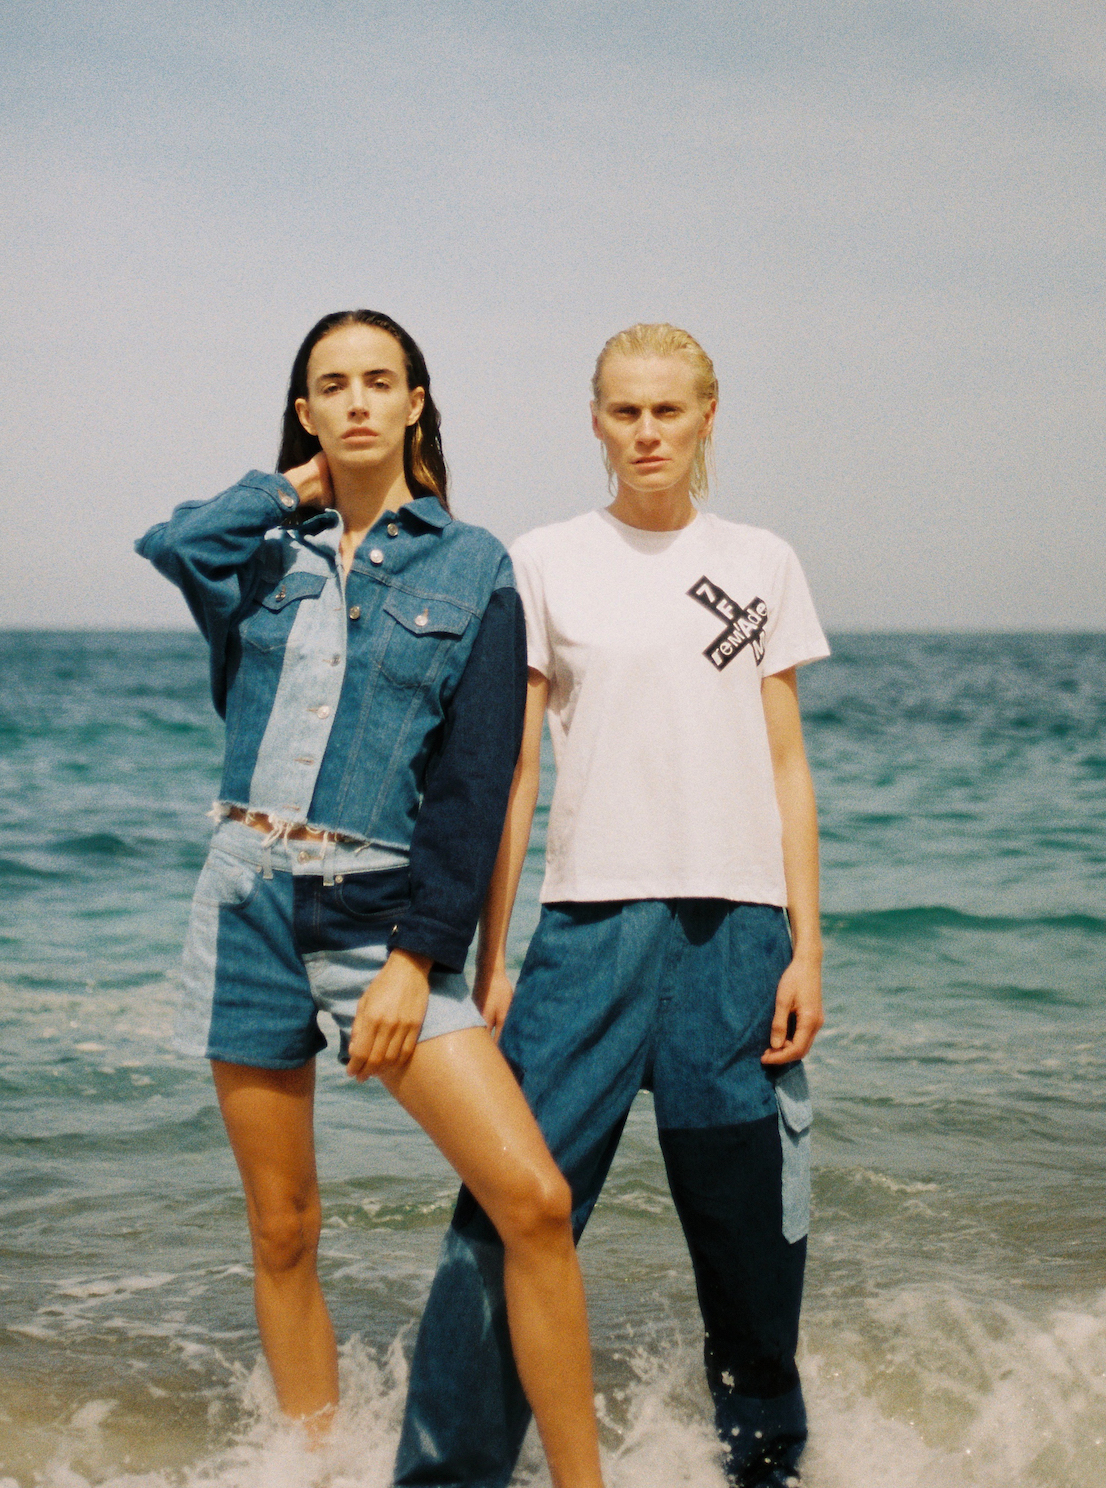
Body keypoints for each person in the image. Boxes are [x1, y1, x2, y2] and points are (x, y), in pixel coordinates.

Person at [136, 310, 604, 1488]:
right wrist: (292, 487)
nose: (356, 400)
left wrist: (417, 956)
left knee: (534, 1200)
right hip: (244, 904)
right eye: (331, 385)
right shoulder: (259, 559)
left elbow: (474, 783)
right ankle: (311, 1468)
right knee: (283, 1228)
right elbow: (171, 541)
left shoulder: (474, 566)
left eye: (378, 381)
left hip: (374, 918)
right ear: (305, 411)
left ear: (415, 401)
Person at [395, 322, 829, 1488]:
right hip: (587, 933)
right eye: (625, 410)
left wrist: (807, 947)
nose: (646, 432)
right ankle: (447, 1473)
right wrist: (492, 955)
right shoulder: (544, 560)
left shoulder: (762, 561)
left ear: (706, 416)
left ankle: (765, 1466)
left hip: (737, 939)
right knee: (509, 1212)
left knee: (750, 1247)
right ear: (594, 419)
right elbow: (514, 772)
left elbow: (787, 763)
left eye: (667, 410)